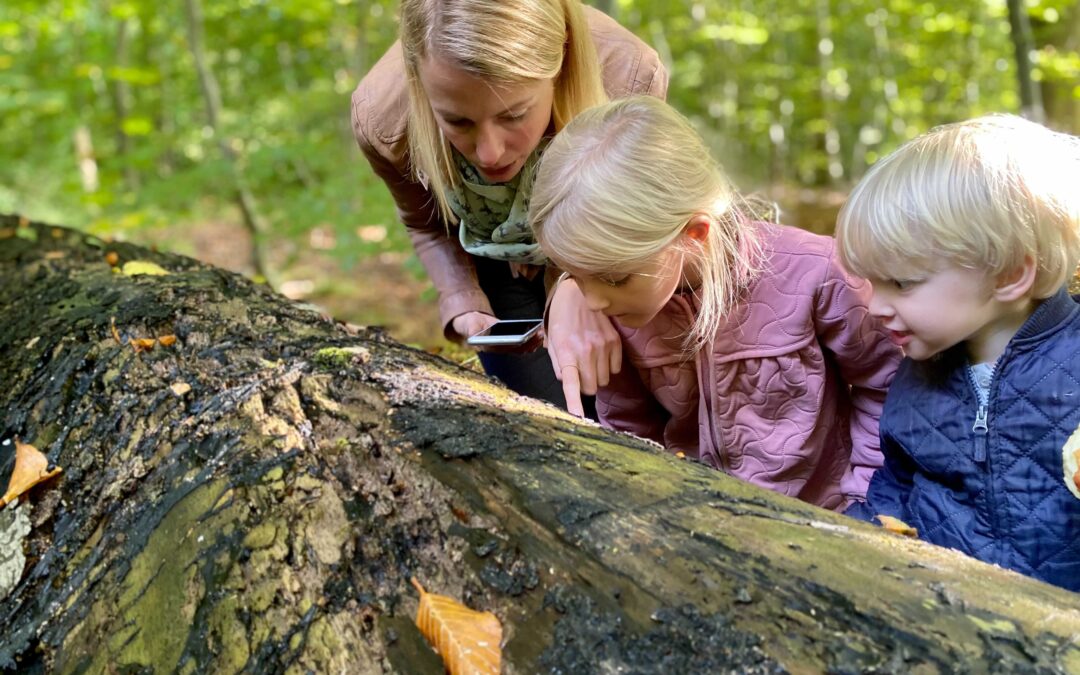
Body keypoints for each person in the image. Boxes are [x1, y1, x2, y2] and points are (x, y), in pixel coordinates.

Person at [529, 96, 901, 510]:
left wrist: (863, 498)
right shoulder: (618, 312)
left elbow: (885, 385)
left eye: (614, 277)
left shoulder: (817, 273)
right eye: (574, 276)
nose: (593, 300)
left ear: (694, 234)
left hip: (826, 515)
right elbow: (628, 427)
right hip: (697, 518)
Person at [351, 0, 667, 413]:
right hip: (493, 253)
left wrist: (576, 280)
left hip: (604, 244)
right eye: (458, 122)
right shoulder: (384, 120)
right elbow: (426, 224)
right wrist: (462, 300)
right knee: (547, 420)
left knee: (632, 410)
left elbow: (641, 212)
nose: (489, 153)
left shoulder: (627, 76)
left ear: (560, 68)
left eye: (514, 114)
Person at [834, 114, 1080, 591]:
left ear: (1009, 275)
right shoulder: (919, 371)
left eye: (901, 283)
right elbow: (899, 484)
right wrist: (853, 539)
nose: (873, 305)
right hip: (944, 616)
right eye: (871, 282)